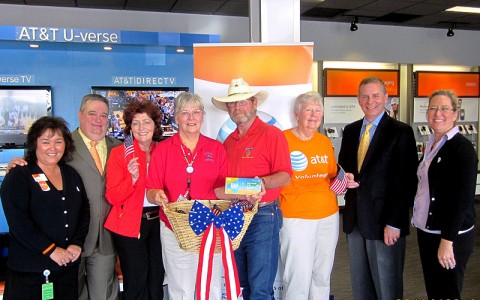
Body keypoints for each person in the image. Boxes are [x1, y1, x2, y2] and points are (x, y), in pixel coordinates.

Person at [6, 94, 122, 300]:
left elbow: (86, 205)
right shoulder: (60, 147)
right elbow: (20, 219)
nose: (98, 119)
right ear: (80, 115)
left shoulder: (117, 147)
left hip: (101, 239)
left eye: (103, 115)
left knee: (102, 294)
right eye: (92, 113)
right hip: (54, 253)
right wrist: (17, 163)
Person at [211, 78, 292, 300]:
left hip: (263, 214)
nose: (237, 107)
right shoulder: (227, 142)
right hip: (234, 214)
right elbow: (222, 186)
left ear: (254, 103)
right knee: (243, 284)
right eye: (233, 103)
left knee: (260, 289)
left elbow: (285, 175)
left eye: (243, 102)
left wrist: (261, 184)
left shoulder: (272, 134)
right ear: (228, 108)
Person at [338, 77, 418, 300]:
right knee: (361, 287)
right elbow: (345, 168)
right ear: (358, 99)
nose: (369, 101)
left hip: (385, 223)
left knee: (387, 287)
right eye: (364, 96)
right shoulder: (352, 130)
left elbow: (405, 183)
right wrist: (345, 179)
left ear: (386, 98)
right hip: (355, 221)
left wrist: (395, 222)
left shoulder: (401, 132)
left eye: (375, 96)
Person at [146, 92, 227, 299]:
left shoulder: (216, 149)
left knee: (211, 285)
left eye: (196, 112)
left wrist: (248, 192)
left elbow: (223, 189)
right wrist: (158, 196)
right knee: (181, 286)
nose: (191, 118)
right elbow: (151, 188)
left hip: (210, 226)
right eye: (185, 113)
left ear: (203, 116)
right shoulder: (163, 150)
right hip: (175, 228)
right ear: (176, 117)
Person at [0, 116, 90, 300]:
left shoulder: (70, 174)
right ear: (35, 144)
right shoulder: (19, 176)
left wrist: (76, 244)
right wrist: (51, 250)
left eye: (58, 141)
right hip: (30, 272)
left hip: (66, 269)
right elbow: (19, 223)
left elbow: (84, 212)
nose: (53, 148)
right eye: (46, 141)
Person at [412, 90, 477, 299]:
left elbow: (463, 200)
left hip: (450, 236)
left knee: (448, 291)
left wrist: (447, 241)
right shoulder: (432, 143)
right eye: (432, 108)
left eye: (444, 108)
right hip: (427, 231)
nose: (437, 113)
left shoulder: (462, 148)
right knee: (434, 290)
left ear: (455, 113)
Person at [279, 91, 340, 299]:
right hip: (296, 216)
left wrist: (344, 178)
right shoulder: (282, 140)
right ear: (297, 114)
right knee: (297, 276)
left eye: (318, 110)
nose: (313, 115)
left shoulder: (324, 142)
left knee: (322, 275)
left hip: (328, 215)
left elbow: (331, 175)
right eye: (308, 110)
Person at [104, 101, 165, 299]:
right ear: (130, 127)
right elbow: (112, 196)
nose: (141, 128)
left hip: (160, 223)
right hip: (130, 224)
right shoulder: (119, 153)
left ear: (155, 125)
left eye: (146, 122)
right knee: (136, 281)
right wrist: (131, 179)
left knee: (156, 279)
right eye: (136, 123)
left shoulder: (163, 151)